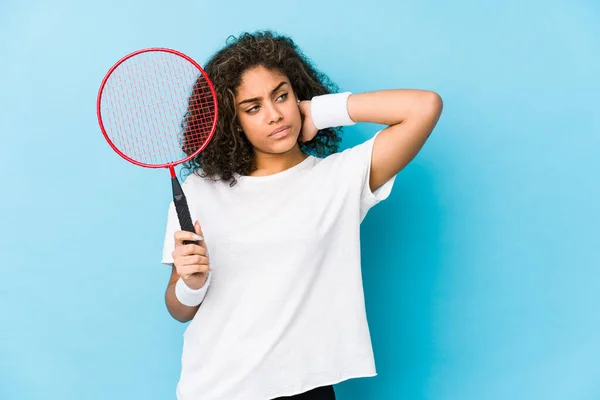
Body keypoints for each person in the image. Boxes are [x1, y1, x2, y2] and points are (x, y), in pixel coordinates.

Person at [161, 30, 443, 400]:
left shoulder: (338, 179)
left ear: (298, 95)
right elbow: (179, 309)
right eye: (253, 107)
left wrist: (322, 110)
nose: (276, 115)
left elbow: (424, 107)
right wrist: (191, 283)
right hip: (214, 388)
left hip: (304, 387)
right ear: (233, 121)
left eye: (282, 96)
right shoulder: (200, 190)